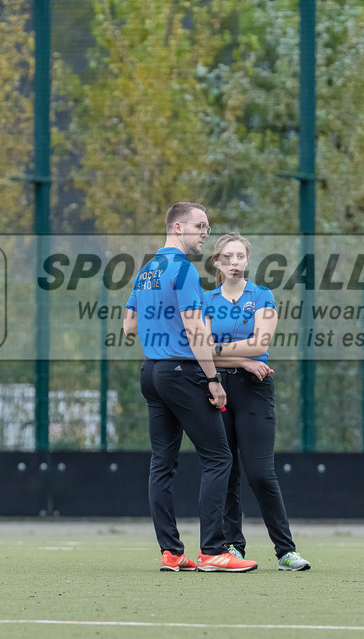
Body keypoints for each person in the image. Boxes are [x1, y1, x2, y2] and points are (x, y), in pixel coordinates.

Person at [123, 203, 258, 573]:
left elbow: (129, 327)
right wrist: (213, 379)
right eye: (200, 226)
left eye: (207, 227)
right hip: (182, 373)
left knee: (162, 464)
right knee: (219, 458)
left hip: (152, 373)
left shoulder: (147, 270)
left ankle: (171, 552)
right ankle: (213, 550)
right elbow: (196, 330)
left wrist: (161, 341)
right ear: (178, 226)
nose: (205, 234)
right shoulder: (182, 270)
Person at [204, 231, 312, 572]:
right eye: (228, 257)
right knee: (228, 473)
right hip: (215, 390)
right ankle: (232, 547)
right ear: (216, 263)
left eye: (240, 257)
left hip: (255, 388)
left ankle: (285, 551)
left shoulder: (262, 295)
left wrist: (223, 352)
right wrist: (244, 358)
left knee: (261, 473)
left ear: (247, 260)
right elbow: (199, 351)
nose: (235, 263)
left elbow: (260, 342)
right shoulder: (205, 300)